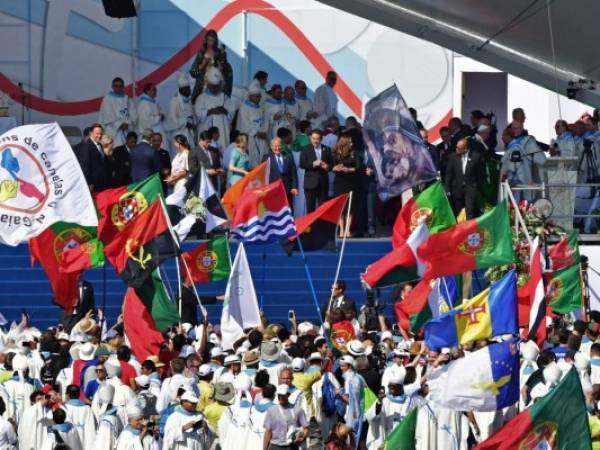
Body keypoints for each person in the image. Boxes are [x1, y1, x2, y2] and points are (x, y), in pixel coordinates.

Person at [194, 67, 233, 151]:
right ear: (208, 84)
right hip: (207, 130)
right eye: (213, 86)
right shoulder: (201, 98)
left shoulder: (225, 97)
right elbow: (198, 115)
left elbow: (231, 114)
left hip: (222, 132)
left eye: (217, 86)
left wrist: (225, 111)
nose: (215, 89)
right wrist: (210, 111)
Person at [444, 138, 484, 219]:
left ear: (465, 148)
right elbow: (448, 174)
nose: (456, 149)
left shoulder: (476, 157)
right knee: (458, 211)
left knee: (470, 210)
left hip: (471, 188)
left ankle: (470, 230)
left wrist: (477, 187)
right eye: (456, 147)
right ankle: (460, 229)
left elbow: (480, 174)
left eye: (459, 148)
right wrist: (447, 188)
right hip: (457, 189)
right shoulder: (453, 156)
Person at [263, 384, 309, 450]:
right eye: (279, 395)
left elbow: (306, 428)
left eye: (283, 395)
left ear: (288, 395)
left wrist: (302, 437)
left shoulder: (298, 410)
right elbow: (268, 432)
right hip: (275, 446)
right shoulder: (271, 410)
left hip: (291, 446)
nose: (281, 397)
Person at [332, 132, 360, 237]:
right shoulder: (336, 153)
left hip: (351, 183)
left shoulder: (354, 153)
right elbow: (332, 167)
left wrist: (348, 169)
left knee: (350, 207)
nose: (352, 144)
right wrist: (336, 168)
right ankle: (341, 230)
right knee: (341, 207)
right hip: (339, 183)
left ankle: (348, 230)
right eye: (350, 142)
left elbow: (358, 167)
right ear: (344, 142)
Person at [237, 80, 269, 168]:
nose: (259, 98)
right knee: (251, 161)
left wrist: (263, 131)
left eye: (259, 96)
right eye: (257, 96)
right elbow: (244, 123)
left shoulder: (260, 108)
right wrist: (256, 133)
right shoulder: (244, 108)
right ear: (250, 96)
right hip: (250, 138)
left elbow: (265, 121)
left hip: (261, 138)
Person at [300, 129, 333, 213]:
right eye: (313, 138)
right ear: (310, 138)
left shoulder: (327, 149)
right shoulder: (305, 149)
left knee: (323, 209)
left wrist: (327, 167)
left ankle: (321, 226)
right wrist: (313, 164)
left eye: (317, 139)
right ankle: (311, 226)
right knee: (310, 209)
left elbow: (331, 164)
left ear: (321, 139)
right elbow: (302, 164)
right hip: (310, 184)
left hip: (323, 184)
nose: (315, 141)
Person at [98, 77, 137, 147]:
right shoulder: (108, 99)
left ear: (123, 87)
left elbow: (133, 113)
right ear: (112, 87)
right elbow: (108, 115)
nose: (118, 88)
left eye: (120, 86)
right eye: (116, 86)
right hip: (113, 130)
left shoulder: (127, 98)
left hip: (126, 129)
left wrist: (128, 123)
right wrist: (120, 124)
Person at [263, 137, 298, 210]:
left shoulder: (288, 156)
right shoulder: (267, 158)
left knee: (288, 209)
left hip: (287, 189)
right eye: (275, 146)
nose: (277, 148)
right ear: (271, 147)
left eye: (279, 145)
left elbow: (293, 173)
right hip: (272, 190)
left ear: (282, 146)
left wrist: (294, 187)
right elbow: (262, 173)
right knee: (274, 209)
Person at [189, 29, 224, 103]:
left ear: (215, 41)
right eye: (208, 40)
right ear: (205, 40)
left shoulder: (218, 54)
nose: (210, 43)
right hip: (200, 88)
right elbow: (193, 73)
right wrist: (202, 65)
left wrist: (220, 70)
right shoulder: (201, 53)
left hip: (214, 88)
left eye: (212, 40)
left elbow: (224, 73)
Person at [165, 74, 195, 152]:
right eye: (187, 89)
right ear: (181, 90)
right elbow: (171, 121)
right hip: (178, 135)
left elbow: (192, 116)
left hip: (188, 134)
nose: (189, 90)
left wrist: (191, 122)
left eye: (189, 88)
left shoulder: (189, 102)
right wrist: (185, 122)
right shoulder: (174, 101)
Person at [79, 123, 113, 192]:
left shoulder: (100, 145)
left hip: (102, 182)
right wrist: (89, 183)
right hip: (94, 184)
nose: (99, 136)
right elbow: (85, 166)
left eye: (101, 134)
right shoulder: (86, 146)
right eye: (97, 133)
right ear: (91, 133)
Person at [63, 384, 97, 449]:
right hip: (85, 444)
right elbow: (92, 430)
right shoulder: (88, 409)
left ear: (68, 395)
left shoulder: (65, 409)